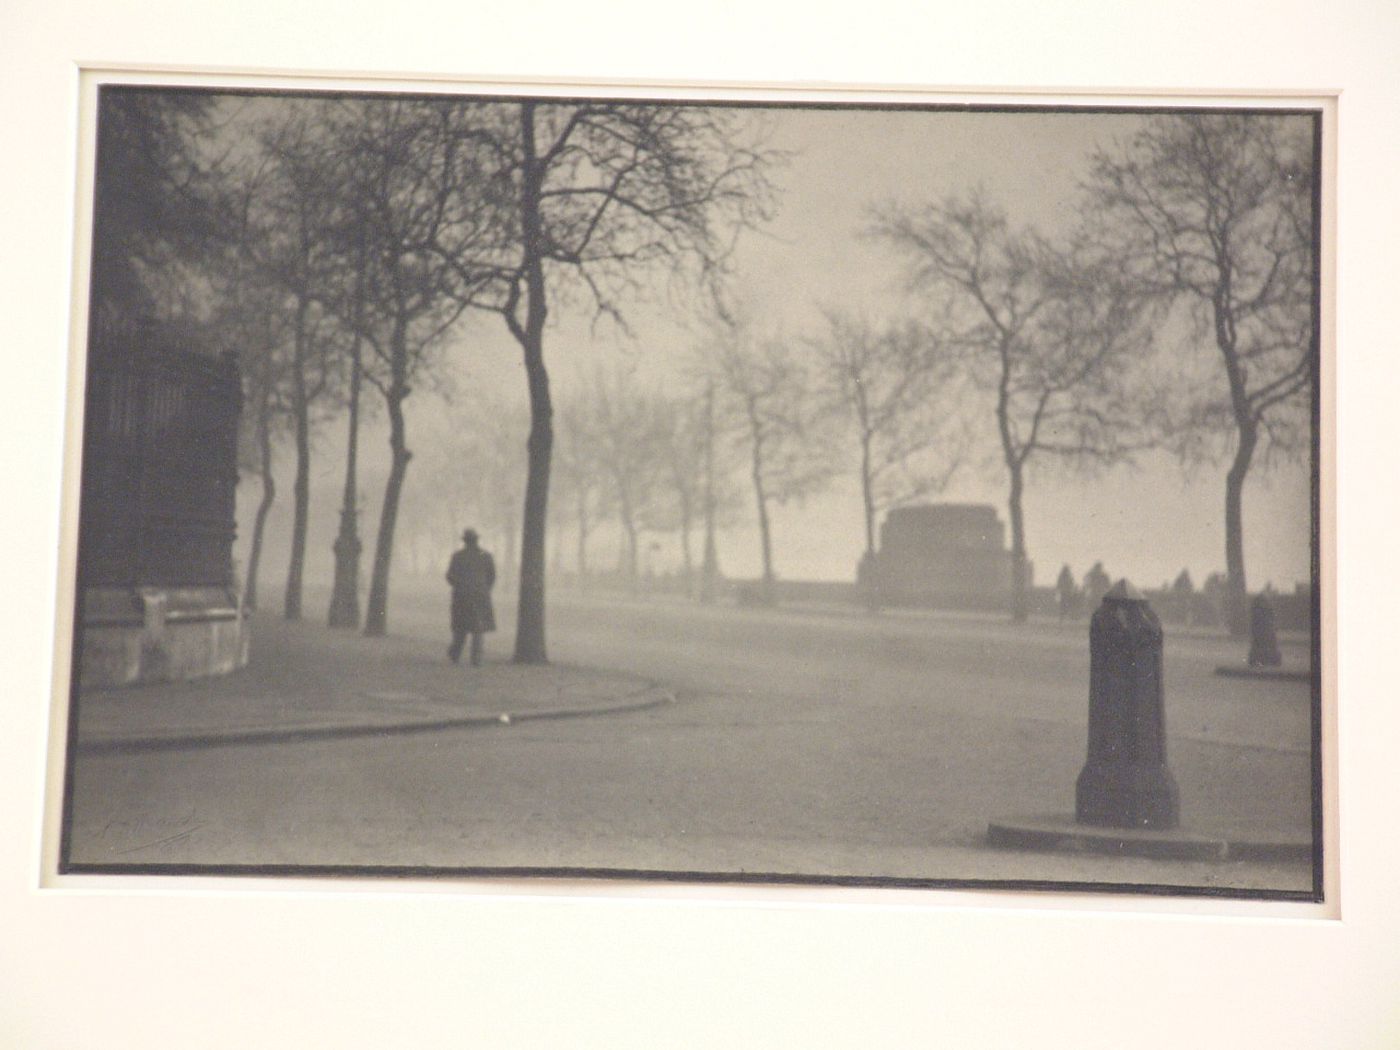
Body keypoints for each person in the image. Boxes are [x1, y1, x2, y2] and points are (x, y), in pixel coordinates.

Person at [446, 528, 496, 666]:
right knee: (478, 628)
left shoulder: (457, 556)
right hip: (481, 596)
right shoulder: (486, 556)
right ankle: (476, 659)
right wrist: (485, 589)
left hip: (461, 596)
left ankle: (454, 654)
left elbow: (450, 576)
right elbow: (492, 577)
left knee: (460, 627)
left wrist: (459, 585)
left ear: (465, 541)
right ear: (477, 540)